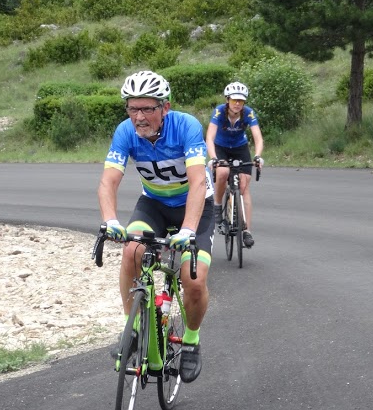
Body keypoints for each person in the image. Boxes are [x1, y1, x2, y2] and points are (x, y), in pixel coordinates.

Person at [98, 70, 214, 383]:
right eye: (132, 108)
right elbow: (109, 181)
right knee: (131, 252)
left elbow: (198, 181)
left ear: (165, 107)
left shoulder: (186, 126)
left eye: (147, 108)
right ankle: (132, 330)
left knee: (194, 279)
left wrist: (188, 229)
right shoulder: (125, 132)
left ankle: (190, 340)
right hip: (155, 206)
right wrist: (110, 221)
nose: (139, 116)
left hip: (195, 208)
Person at [205, 81, 264, 248]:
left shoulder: (248, 113)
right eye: (234, 100)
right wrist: (214, 157)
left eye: (241, 101)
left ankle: (247, 231)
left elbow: (258, 138)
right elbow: (209, 137)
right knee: (222, 173)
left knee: (244, 186)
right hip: (221, 147)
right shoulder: (219, 112)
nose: (237, 104)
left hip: (240, 148)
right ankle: (217, 207)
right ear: (227, 100)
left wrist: (258, 156)